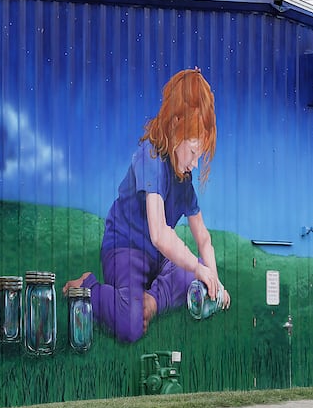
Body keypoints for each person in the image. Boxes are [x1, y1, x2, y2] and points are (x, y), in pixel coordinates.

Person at [63, 68, 230, 343]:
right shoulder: (150, 157)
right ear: (175, 126)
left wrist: (214, 280)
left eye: (199, 156)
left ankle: (151, 301)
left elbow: (203, 237)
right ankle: (89, 287)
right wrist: (200, 270)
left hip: (158, 260)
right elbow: (160, 234)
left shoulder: (183, 179)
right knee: (130, 326)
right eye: (192, 152)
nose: (194, 163)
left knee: (195, 277)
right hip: (126, 248)